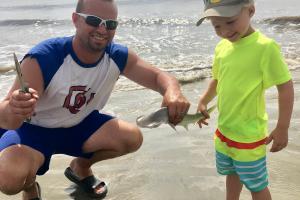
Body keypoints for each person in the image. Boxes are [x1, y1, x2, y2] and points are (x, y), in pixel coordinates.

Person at [0, 0, 190, 199]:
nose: (102, 28)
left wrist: (173, 91)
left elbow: (159, 77)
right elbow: (8, 120)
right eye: (94, 20)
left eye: (110, 24)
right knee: (9, 180)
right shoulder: (45, 57)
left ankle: (81, 167)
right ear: (75, 19)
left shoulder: (117, 56)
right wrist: (15, 107)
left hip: (80, 125)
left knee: (132, 138)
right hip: (34, 130)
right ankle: (30, 186)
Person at [196, 0, 294, 200]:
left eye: (230, 22)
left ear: (250, 11)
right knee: (232, 173)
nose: (224, 31)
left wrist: (282, 127)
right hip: (225, 131)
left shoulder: (265, 48)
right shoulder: (222, 48)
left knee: (256, 185)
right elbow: (217, 79)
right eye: (217, 26)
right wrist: (204, 100)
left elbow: (285, 87)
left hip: (249, 136)